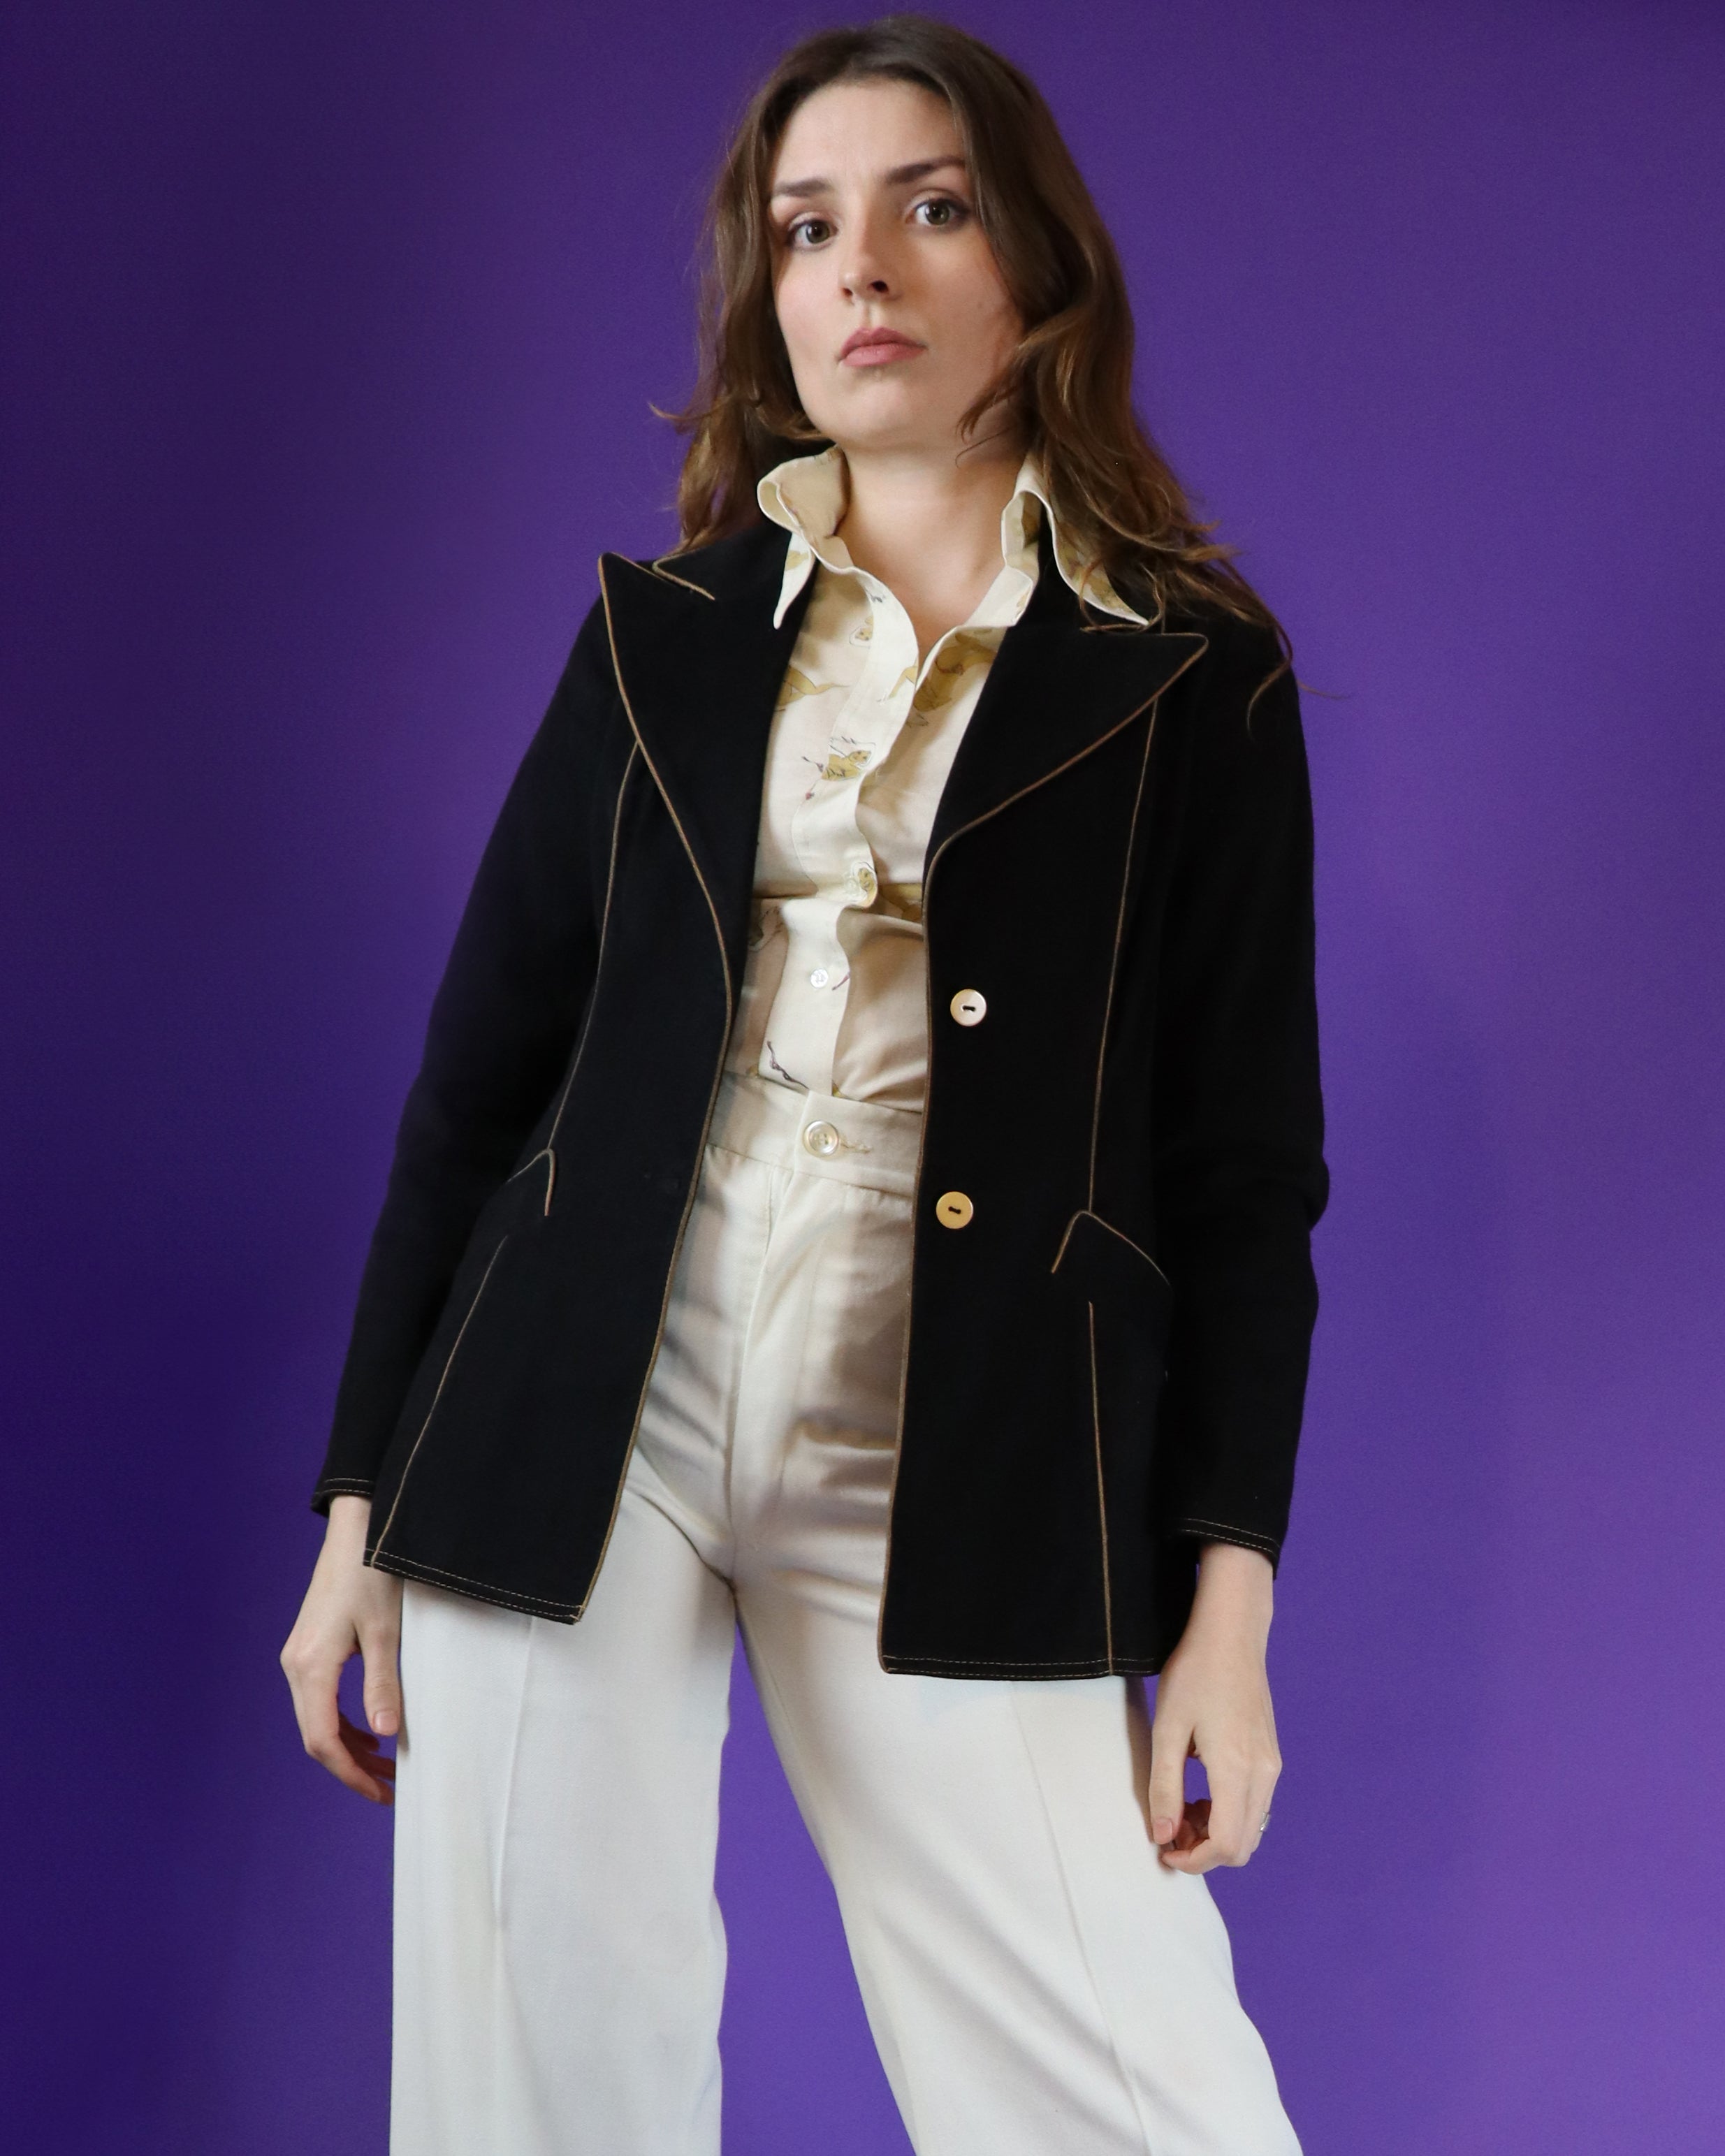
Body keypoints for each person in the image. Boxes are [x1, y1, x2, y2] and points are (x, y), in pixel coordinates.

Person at [281, 16, 1327, 2155]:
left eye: (930, 208)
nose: (862, 267)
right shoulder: (661, 639)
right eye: (806, 227)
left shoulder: (1191, 672)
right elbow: (478, 1090)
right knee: (530, 2086)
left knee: (1130, 2087)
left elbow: (1243, 1177)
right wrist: (360, 1513)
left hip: (960, 1421)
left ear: (1035, 264)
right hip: (590, 1392)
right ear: (768, 293)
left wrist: (1227, 1613)